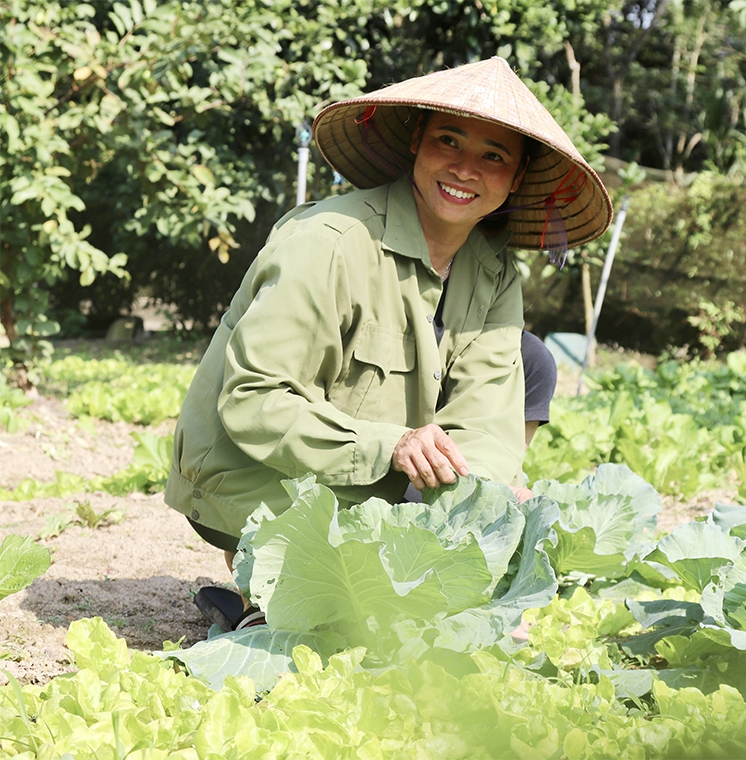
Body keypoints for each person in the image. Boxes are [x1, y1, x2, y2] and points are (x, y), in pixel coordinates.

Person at [166, 57, 613, 630]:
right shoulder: (329, 242)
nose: (464, 168)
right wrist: (395, 449)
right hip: (252, 467)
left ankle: (290, 594)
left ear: (517, 178)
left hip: (377, 477)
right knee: (357, 618)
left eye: (493, 155)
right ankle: (267, 590)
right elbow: (255, 401)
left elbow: (486, 413)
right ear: (416, 145)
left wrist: (487, 496)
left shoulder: (494, 270)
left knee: (532, 363)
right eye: (448, 140)